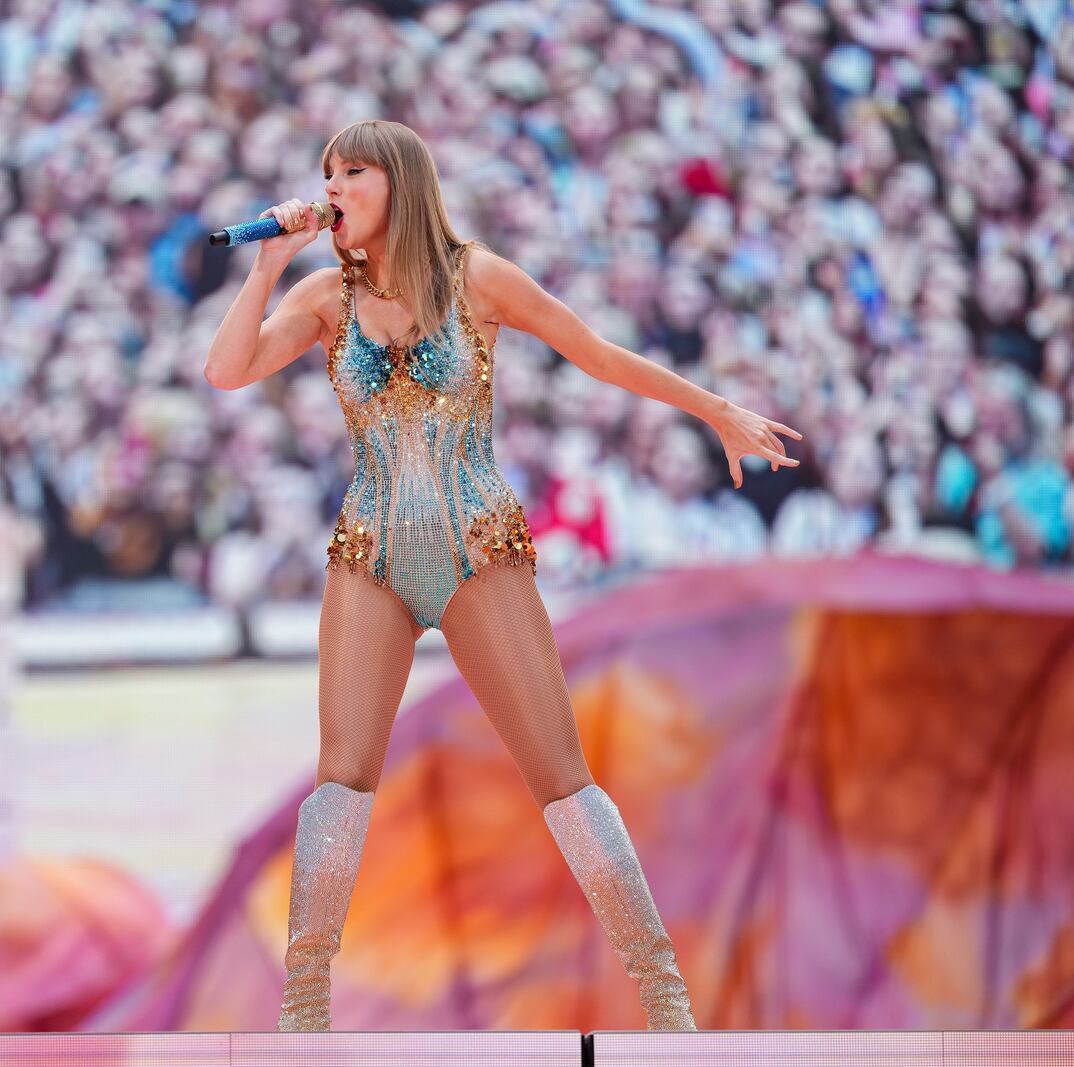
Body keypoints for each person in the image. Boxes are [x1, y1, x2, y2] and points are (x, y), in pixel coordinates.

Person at [224, 119, 805, 1033]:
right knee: (341, 773)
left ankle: (664, 996)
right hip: (369, 552)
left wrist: (715, 409)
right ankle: (304, 1011)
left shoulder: (477, 278)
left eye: (353, 172)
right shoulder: (322, 293)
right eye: (326, 172)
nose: (332, 186)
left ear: (401, 184)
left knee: (561, 774)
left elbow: (599, 356)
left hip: (476, 548)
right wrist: (265, 265)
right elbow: (228, 369)